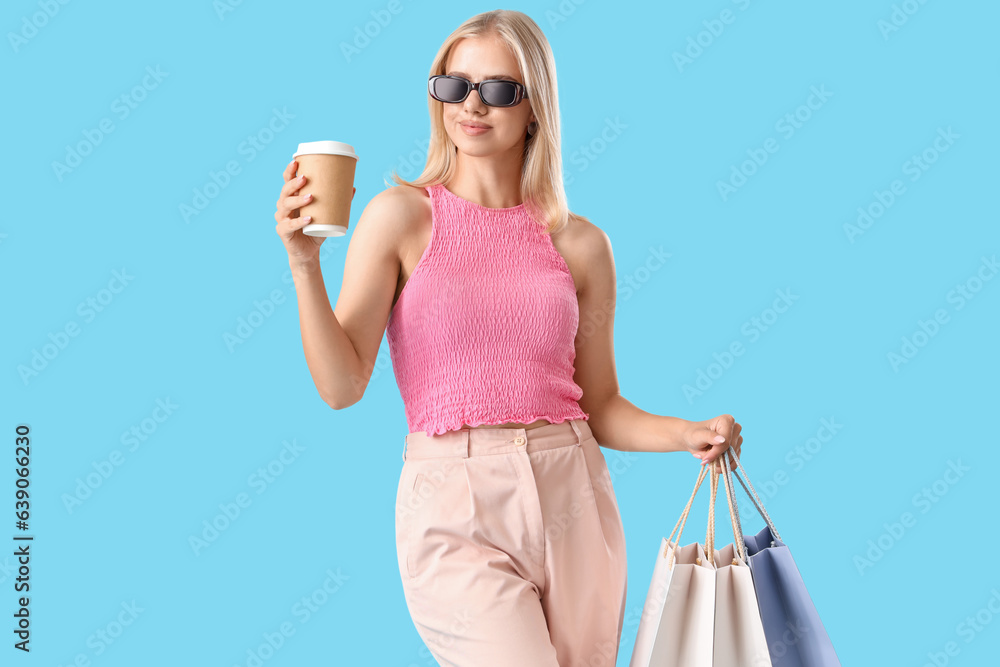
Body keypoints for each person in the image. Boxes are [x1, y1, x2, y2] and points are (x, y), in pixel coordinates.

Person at [273, 9, 744, 666]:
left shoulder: (582, 244)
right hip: (452, 500)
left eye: (497, 89)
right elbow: (341, 384)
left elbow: (601, 402)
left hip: (573, 491)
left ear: (535, 111)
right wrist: (303, 263)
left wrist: (686, 430)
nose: (471, 105)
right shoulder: (399, 218)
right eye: (453, 85)